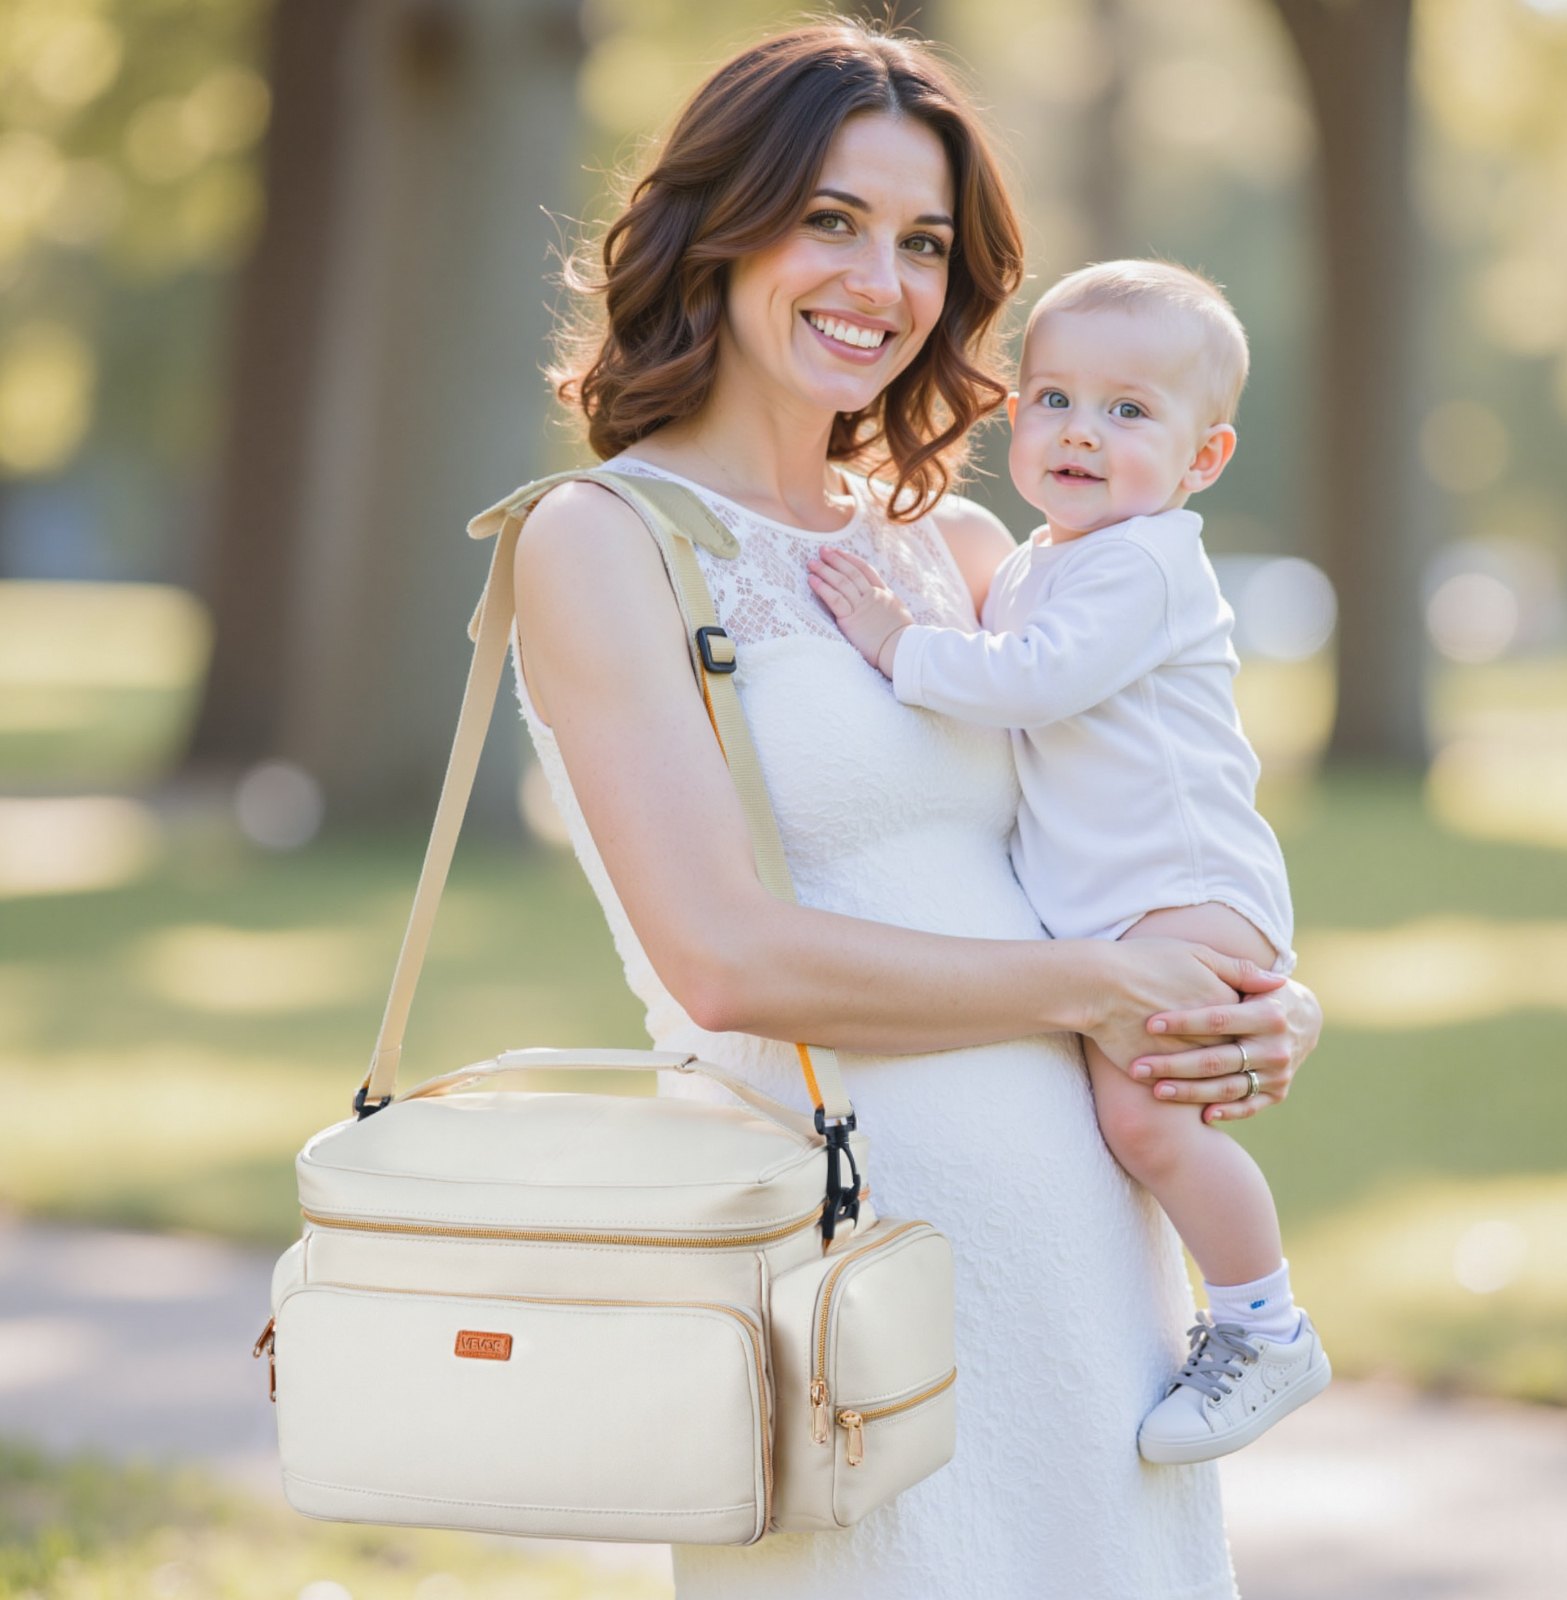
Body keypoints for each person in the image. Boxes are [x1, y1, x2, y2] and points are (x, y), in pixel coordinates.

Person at [510, 22, 1324, 1598]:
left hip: (1091, 1261)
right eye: (830, 219)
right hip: (846, 1277)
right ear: (718, 223)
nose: (880, 280)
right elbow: (728, 962)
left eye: (924, 241)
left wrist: (1253, 1004)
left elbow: (1126, 843)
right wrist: (1103, 988)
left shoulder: (961, 550)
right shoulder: (601, 540)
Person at [807, 259, 1333, 1468]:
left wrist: (895, 639)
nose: (1081, 433)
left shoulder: (1145, 563)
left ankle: (1265, 1322)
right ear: (1013, 411)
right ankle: (1253, 1317)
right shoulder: (1051, 558)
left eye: (1129, 411)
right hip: (1137, 906)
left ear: (1203, 460)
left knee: (1150, 1131)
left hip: (1184, 900)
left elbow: (1028, 682)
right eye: (1054, 399)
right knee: (1138, 1125)